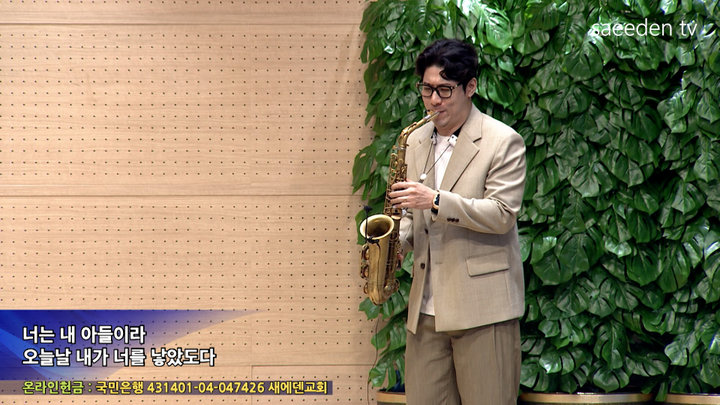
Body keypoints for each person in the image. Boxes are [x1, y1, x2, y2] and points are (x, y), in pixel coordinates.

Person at [388, 38, 527, 405]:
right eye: (427, 89)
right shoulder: (415, 141)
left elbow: (501, 214)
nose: (434, 100)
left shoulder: (503, 141)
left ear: (470, 87)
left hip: (484, 309)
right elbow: (410, 213)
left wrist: (435, 200)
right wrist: (397, 243)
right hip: (426, 310)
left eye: (445, 90)